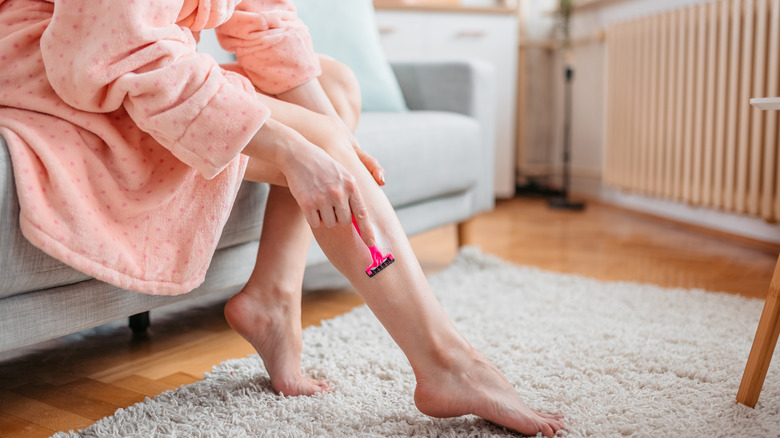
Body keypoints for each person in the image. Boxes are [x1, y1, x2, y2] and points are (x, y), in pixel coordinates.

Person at [0, 0, 565, 435]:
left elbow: (265, 22)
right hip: (61, 78)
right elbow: (117, 51)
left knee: (335, 87)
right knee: (316, 140)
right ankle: (446, 364)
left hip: (134, 57)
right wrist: (300, 150)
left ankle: (273, 296)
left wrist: (339, 145)